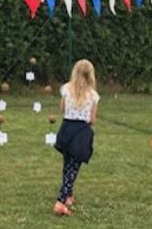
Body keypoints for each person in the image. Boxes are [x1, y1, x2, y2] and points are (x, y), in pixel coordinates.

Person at [53, 59, 100, 216]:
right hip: (81, 131)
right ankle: (60, 201)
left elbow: (62, 108)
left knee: (67, 164)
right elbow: (92, 119)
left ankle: (68, 195)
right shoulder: (93, 95)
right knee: (73, 168)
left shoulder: (66, 89)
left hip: (66, 129)